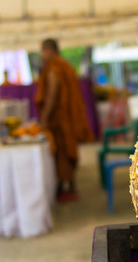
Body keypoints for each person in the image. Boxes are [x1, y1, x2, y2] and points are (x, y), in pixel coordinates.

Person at [35, 39, 94, 201]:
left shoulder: (54, 68)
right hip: (66, 117)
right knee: (67, 151)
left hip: (59, 118)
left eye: (42, 51)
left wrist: (45, 116)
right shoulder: (66, 66)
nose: (42, 55)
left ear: (49, 50)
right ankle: (69, 187)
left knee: (62, 152)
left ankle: (67, 189)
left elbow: (53, 93)